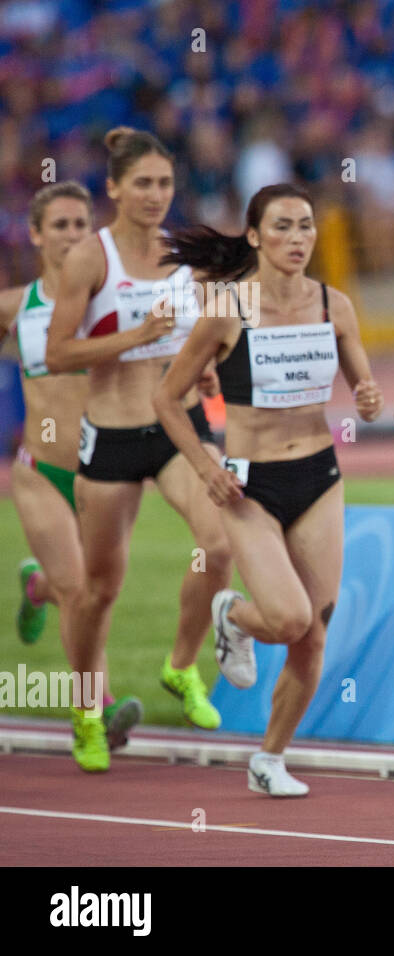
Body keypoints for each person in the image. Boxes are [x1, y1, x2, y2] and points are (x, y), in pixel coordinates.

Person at [154, 183, 383, 797]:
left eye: (306, 226)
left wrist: (366, 395)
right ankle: (232, 614)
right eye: (282, 227)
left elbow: (361, 378)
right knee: (286, 618)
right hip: (248, 484)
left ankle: (270, 759)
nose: (298, 239)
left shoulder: (335, 304)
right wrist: (205, 466)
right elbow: (165, 398)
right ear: (254, 236)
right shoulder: (229, 308)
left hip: (318, 476)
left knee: (314, 633)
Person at [45, 128, 233, 772]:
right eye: (144, 184)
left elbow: (209, 328)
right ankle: (88, 712)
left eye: (165, 184)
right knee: (100, 589)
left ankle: (181, 668)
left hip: (178, 427)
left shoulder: (187, 253)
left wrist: (203, 365)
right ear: (114, 188)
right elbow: (58, 354)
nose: (156, 195)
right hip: (112, 436)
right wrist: (133, 337)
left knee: (221, 540)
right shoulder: (89, 259)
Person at [0, 182, 143, 757]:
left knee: (93, 593)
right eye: (58, 225)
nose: (70, 235)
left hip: (103, 472)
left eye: (81, 225)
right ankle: (97, 713)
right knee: (82, 589)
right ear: (35, 234)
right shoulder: (15, 305)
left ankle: (35, 587)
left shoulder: (113, 303)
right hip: (41, 471)